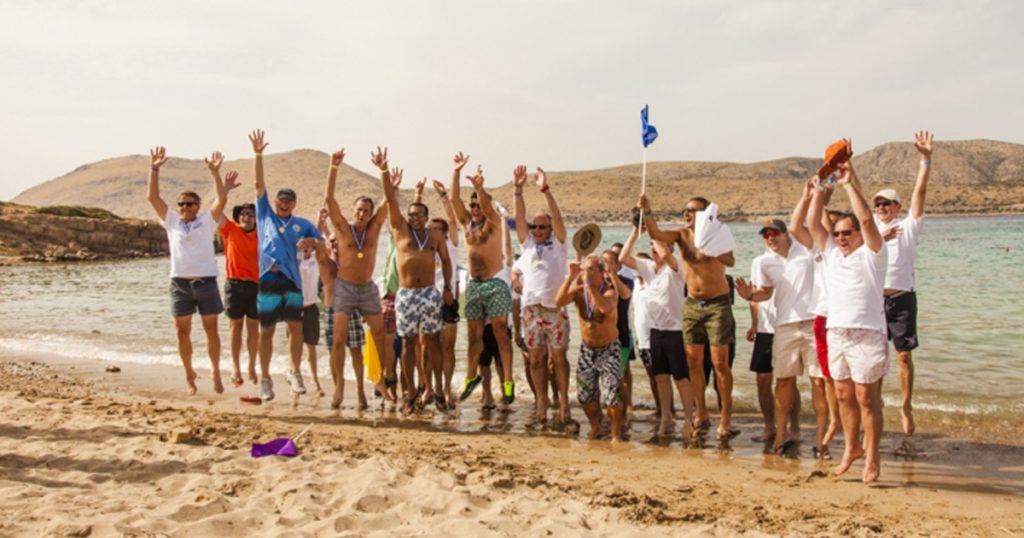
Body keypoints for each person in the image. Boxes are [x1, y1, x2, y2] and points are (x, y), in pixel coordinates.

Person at [808, 155, 889, 484]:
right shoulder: (831, 255)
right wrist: (819, 187)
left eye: (846, 233)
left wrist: (849, 183)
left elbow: (868, 221)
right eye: (838, 233)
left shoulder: (872, 255)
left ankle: (872, 455)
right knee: (842, 395)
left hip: (867, 332)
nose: (841, 237)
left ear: (857, 234)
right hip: (837, 331)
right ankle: (851, 448)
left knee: (866, 398)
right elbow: (814, 225)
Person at [641, 194, 737, 440]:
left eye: (692, 210)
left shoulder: (717, 234)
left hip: (717, 304)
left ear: (705, 214)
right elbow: (656, 234)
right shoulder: (681, 236)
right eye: (685, 210)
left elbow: (731, 260)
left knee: (719, 363)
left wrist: (709, 248)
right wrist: (648, 211)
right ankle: (701, 412)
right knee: (693, 362)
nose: (687, 214)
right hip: (693, 303)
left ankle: (725, 417)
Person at [736, 212, 823, 456]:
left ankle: (820, 438)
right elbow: (765, 293)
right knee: (783, 380)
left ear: (786, 234)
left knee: (818, 381)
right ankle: (780, 433)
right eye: (765, 235)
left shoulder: (805, 251)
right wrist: (750, 296)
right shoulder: (764, 262)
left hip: (812, 321)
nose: (770, 238)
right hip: (782, 325)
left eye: (774, 233)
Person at [146, 147, 230, 395]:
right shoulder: (171, 221)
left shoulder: (207, 221)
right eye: (181, 204)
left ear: (197, 205)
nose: (185, 207)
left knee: (211, 330)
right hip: (179, 284)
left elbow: (221, 200)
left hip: (205, 282)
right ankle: (189, 375)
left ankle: (215, 370)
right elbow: (152, 198)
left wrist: (215, 173)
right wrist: (154, 169)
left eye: (190, 204)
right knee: (182, 332)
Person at [377, 148, 454, 413]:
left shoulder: (435, 236)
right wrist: (384, 171)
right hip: (407, 294)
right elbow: (390, 199)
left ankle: (437, 391)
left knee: (432, 341)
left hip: (430, 293)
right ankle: (409, 395)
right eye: (411, 214)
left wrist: (447, 288)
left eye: (419, 214)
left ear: (426, 216)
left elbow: (446, 261)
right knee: (408, 344)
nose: (414, 218)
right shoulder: (400, 229)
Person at [249, 130, 324, 401]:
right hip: (269, 277)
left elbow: (323, 242)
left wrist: (311, 243)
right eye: (281, 199)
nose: (284, 203)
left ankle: (294, 372)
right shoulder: (265, 215)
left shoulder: (301, 223)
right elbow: (259, 185)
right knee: (266, 330)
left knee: (296, 328)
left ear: (294, 204)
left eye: (288, 200)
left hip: (292, 280)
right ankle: (265, 378)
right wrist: (258, 154)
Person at [323, 148, 395, 408]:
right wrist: (333, 167)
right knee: (339, 339)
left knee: (379, 334)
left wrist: (384, 171)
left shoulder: (375, 229)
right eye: (359, 210)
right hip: (344, 287)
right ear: (353, 211)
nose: (362, 214)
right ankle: (340, 387)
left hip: (367, 288)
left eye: (366, 210)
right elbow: (329, 200)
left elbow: (389, 202)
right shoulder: (343, 229)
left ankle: (383, 381)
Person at [873, 131, 934, 436]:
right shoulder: (869, 232)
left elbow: (920, 195)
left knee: (903, 356)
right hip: (874, 302)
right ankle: (875, 402)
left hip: (902, 298)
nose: (882, 208)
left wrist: (925, 160)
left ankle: (906, 406)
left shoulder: (908, 228)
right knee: (876, 356)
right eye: (878, 204)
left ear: (897, 206)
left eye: (887, 204)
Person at [449, 154, 515, 405]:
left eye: (479, 205)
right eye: (473, 205)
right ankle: (470, 377)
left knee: (500, 330)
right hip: (475, 285)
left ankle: (508, 381)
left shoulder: (494, 223)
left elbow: (488, 206)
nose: (476, 209)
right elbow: (454, 200)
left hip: (495, 282)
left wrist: (479, 187)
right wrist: (456, 172)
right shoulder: (466, 224)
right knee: (474, 334)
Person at [619, 225, 692, 438]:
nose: (654, 248)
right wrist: (635, 232)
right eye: (651, 245)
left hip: (675, 330)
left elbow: (667, 256)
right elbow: (624, 257)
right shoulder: (648, 267)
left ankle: (688, 420)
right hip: (655, 332)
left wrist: (657, 235)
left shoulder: (676, 266)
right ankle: (666, 418)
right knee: (660, 377)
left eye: (658, 244)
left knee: (680, 378)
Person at [512, 165, 571, 423]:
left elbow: (556, 217)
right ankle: (540, 403)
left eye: (541, 227)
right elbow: (519, 215)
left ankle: (564, 404)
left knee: (558, 358)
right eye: (534, 227)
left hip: (554, 309)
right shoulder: (526, 244)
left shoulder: (557, 245)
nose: (536, 231)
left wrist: (545, 189)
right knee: (536, 359)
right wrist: (518, 190)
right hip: (531, 310)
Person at [555, 255, 624, 442]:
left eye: (592, 269)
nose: (587, 273)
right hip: (587, 349)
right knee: (585, 395)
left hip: (609, 349)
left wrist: (591, 287)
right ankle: (596, 425)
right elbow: (558, 301)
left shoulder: (610, 292)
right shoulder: (579, 292)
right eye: (585, 269)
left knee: (612, 395)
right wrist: (570, 278)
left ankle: (616, 434)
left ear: (602, 273)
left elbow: (605, 309)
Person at [425, 179, 462, 407]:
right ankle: (429, 388)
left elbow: (454, 221)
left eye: (438, 230)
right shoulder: (423, 246)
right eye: (431, 230)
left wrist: (443, 196)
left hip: (448, 301)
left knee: (447, 347)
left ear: (445, 233)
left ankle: (447, 389)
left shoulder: (452, 246)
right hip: (428, 300)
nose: (434, 233)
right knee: (427, 346)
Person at [219, 199, 259, 388]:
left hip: (256, 285)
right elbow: (216, 210)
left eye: (251, 215)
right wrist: (223, 189)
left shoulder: (262, 234)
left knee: (253, 327)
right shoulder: (230, 229)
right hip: (234, 284)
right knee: (235, 326)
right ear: (238, 217)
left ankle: (252, 365)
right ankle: (235, 367)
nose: (247, 218)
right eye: (243, 214)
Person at [607, 243, 636, 416]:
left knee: (620, 376)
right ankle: (615, 409)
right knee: (612, 378)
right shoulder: (598, 282)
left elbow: (625, 294)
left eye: (611, 261)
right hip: (604, 338)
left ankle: (625, 409)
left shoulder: (626, 279)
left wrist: (611, 274)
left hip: (622, 335)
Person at [298, 237, 325, 397]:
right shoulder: (295, 260)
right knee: (295, 347)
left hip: (311, 307)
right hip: (294, 307)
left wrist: (321, 223)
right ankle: (296, 378)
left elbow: (323, 242)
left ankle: (314, 380)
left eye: (308, 246)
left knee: (311, 346)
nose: (305, 249)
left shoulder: (316, 258)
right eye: (303, 246)